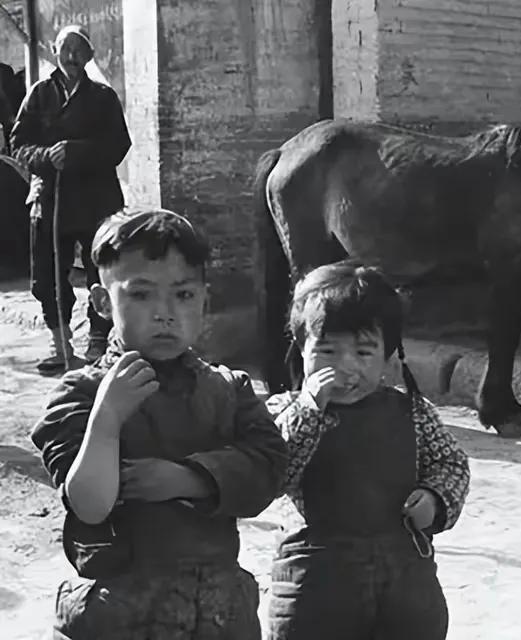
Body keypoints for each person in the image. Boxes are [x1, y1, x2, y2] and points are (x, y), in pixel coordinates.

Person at [29, 208, 288, 639]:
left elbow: (270, 468)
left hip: (216, 614)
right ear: (100, 302)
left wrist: (189, 478)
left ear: (205, 299)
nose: (165, 313)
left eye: (183, 296)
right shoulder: (82, 394)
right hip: (118, 613)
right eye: (141, 295)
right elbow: (89, 506)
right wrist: (107, 420)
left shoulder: (228, 389)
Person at [265, 260, 471, 640]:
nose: (345, 367)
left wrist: (434, 498)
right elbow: (271, 472)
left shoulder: (413, 412)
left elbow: (451, 464)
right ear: (301, 347)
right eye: (327, 351)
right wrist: (311, 408)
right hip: (315, 589)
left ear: (389, 356)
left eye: (363, 353)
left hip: (405, 586)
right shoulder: (283, 410)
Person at [10, 25, 131, 373]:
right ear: (54, 50)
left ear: (89, 56)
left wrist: (76, 153)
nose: (72, 58)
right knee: (46, 274)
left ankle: (99, 337)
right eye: (66, 50)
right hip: (50, 198)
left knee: (102, 268)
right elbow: (19, 144)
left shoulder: (103, 98)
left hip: (96, 198)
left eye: (80, 51)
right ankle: (59, 341)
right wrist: (47, 157)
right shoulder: (39, 95)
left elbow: (118, 145)